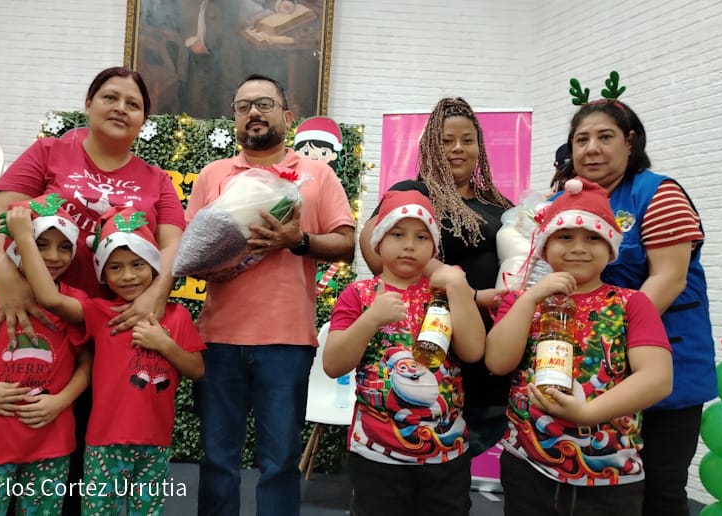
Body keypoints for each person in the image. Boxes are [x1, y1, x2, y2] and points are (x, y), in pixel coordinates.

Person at [0, 66, 186, 515]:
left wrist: (154, 294)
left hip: (114, 328)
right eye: (110, 97)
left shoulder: (157, 179)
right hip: (46, 320)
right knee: (32, 435)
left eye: (133, 104)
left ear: (143, 119)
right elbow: (2, 212)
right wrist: (7, 279)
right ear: (89, 103)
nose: (121, 108)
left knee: (92, 442)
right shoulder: (50, 151)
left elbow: (174, 244)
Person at [185, 73, 355, 516]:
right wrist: (217, 262)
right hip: (218, 339)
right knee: (217, 461)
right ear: (235, 119)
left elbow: (346, 243)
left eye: (264, 104)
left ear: (287, 115)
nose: (254, 113)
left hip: (287, 342)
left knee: (279, 463)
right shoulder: (213, 175)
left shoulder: (316, 176)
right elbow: (188, 250)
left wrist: (298, 240)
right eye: (243, 107)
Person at [551, 89, 718, 516]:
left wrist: (607, 338)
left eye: (605, 137)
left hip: (663, 365)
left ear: (630, 142)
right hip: (587, 369)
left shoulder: (658, 193)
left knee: (659, 488)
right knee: (594, 487)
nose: (591, 149)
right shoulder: (562, 202)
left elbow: (669, 277)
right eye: (581, 140)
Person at [485, 177, 674, 515]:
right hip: (528, 466)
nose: (578, 247)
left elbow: (657, 378)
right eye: (564, 237)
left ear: (611, 248)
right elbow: (498, 362)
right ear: (544, 246)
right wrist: (529, 298)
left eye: (593, 237)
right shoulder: (521, 301)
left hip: (610, 474)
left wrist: (586, 413)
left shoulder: (631, 303)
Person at [7, 205, 205, 515]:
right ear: (103, 273)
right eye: (115, 267)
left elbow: (197, 370)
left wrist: (164, 344)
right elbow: (49, 298)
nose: (128, 276)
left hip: (155, 444)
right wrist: (24, 238)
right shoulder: (99, 313)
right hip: (103, 444)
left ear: (154, 265)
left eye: (137, 264)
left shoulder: (177, 316)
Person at [359, 96, 514, 455]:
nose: (458, 148)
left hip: (487, 349)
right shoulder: (411, 193)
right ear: (430, 146)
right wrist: (465, 292)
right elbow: (374, 247)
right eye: (446, 140)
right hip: (429, 343)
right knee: (424, 440)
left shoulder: (498, 205)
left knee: (466, 449)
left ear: (479, 147)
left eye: (467, 140)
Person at [323, 190, 485, 515]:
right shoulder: (359, 294)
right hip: (377, 455)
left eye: (422, 237)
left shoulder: (445, 290)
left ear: (434, 247)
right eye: (397, 234)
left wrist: (456, 286)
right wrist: (371, 318)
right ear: (379, 242)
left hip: (445, 454)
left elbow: (473, 351)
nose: (409, 245)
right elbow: (333, 364)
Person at [0, 194, 91, 515]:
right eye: (40, 244)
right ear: (17, 244)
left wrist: (61, 400)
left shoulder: (75, 304)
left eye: (64, 246)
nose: (53, 256)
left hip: (51, 445)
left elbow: (86, 363)